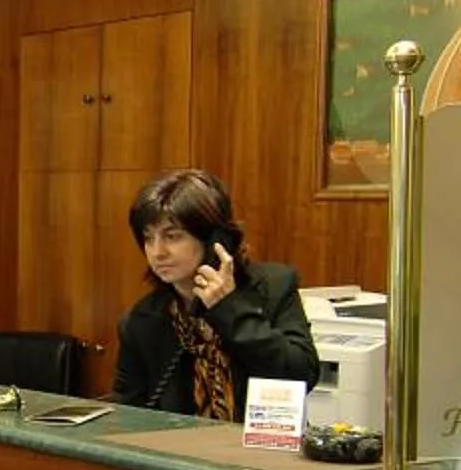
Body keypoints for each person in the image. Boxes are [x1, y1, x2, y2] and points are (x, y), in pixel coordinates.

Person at [109, 169, 317, 420]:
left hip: (262, 451)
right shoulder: (141, 321)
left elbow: (300, 375)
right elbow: (128, 414)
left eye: (172, 236)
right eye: (148, 238)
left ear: (214, 240)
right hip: (177, 453)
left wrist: (231, 309)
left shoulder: (273, 288)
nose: (157, 252)